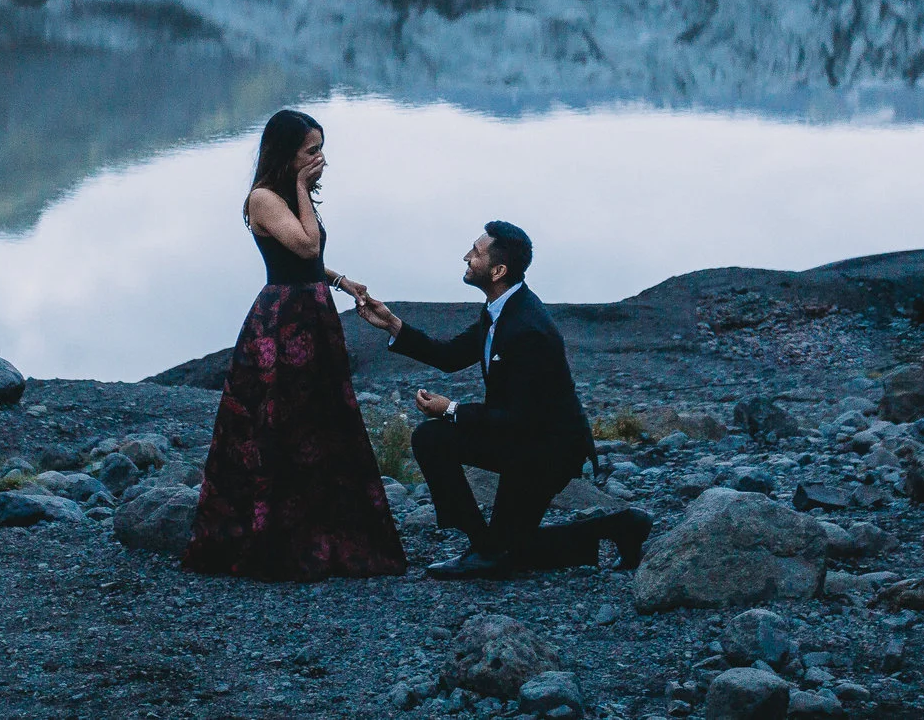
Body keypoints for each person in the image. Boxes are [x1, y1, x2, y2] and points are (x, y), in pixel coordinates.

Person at [181, 109, 408, 581]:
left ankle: (324, 533)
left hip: (312, 313)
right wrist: (303, 189)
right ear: (286, 153)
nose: (320, 159)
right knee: (279, 423)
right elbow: (304, 247)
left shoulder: (284, 197)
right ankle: (273, 538)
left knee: (319, 421)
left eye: (321, 149)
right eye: (311, 151)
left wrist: (342, 281)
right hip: (283, 323)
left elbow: (308, 259)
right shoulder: (264, 198)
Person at [356, 220, 649, 579]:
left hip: (546, 451)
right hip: (521, 439)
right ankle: (488, 545)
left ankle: (494, 550)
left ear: (498, 270)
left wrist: (450, 409)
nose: (466, 256)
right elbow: (449, 356)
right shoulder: (499, 310)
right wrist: (391, 324)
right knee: (435, 442)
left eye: (475, 253)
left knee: (510, 550)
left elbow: (520, 417)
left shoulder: (528, 328)